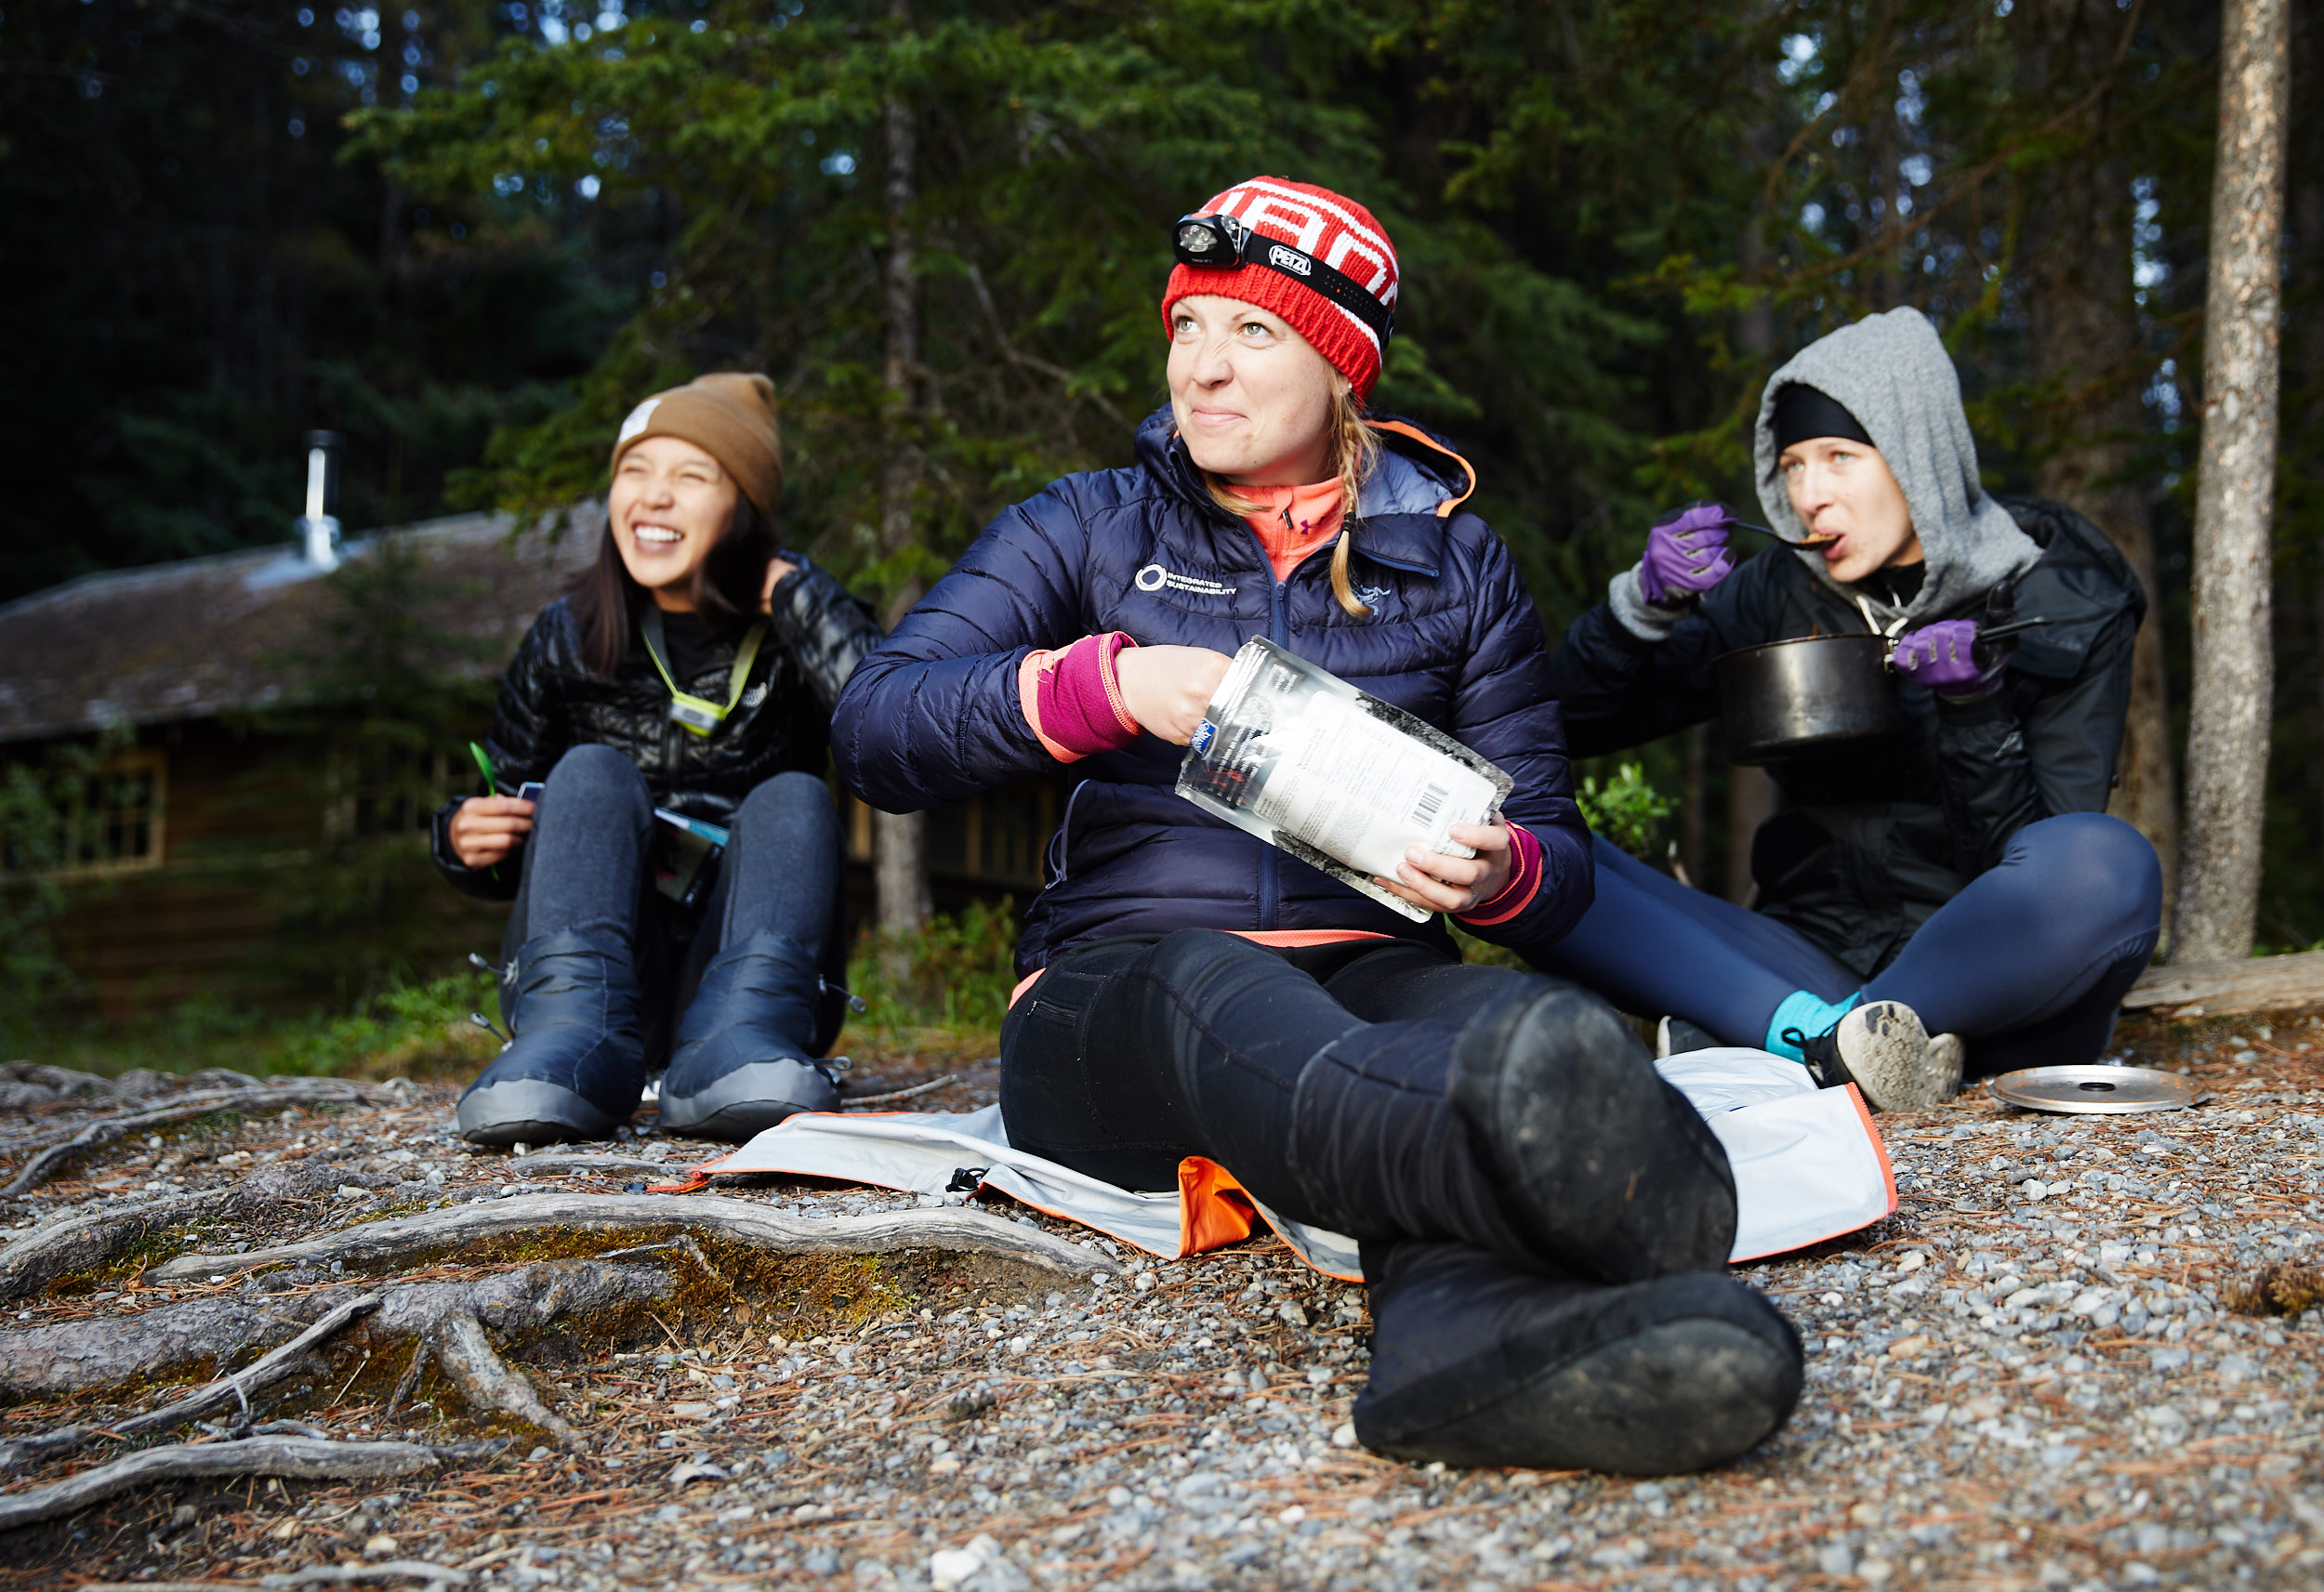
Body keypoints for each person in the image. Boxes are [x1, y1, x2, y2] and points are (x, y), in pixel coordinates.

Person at [833, 177, 1804, 1475]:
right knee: (1219, 980)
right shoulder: (1083, 524)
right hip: (1112, 1001)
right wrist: (1100, 684)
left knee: (1517, 1034)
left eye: (1253, 334)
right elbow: (875, 725)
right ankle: (1584, 1183)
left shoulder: (1460, 566)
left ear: (1342, 370)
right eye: (1188, 328)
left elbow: (1558, 862)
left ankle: (1457, 1364)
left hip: (1377, 970)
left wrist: (1502, 869)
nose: (1203, 369)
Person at [1535, 308, 2161, 1106]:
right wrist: (1640, 610)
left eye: (1839, 456)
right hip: (1804, 964)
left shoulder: (2063, 602)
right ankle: (1834, 1046)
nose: (1809, 495)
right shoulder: (1778, 591)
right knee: (1523, 845)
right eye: (1793, 464)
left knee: (2109, 862)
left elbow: (2041, 872)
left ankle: (1797, 1048)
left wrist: (1977, 709)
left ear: (1917, 459)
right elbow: (1568, 725)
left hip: (1997, 995)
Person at [432, 373, 883, 1146]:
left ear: (742, 503)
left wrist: (794, 592)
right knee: (590, 773)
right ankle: (567, 1053)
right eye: (634, 472)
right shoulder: (565, 636)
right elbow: (512, 831)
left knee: (793, 796)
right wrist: (459, 839)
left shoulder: (794, 628)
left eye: (691, 476)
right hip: (588, 983)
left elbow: (892, 728)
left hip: (749, 984)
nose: (653, 497)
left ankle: (733, 1050)